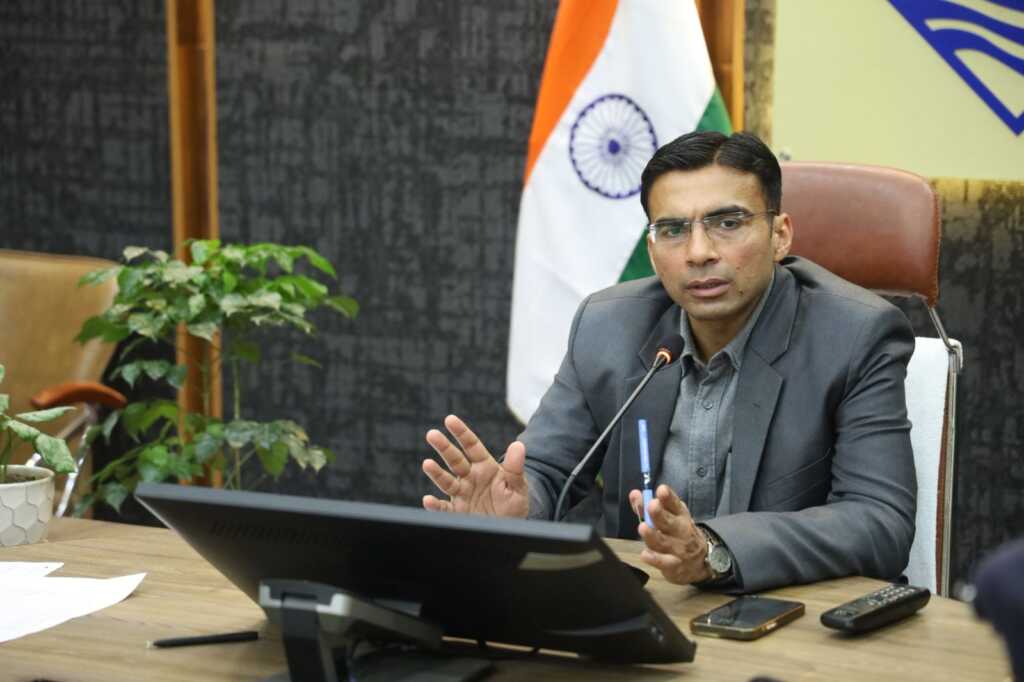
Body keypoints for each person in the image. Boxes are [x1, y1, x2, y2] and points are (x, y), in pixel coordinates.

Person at [422, 131, 916, 593]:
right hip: (641, 611)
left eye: (728, 223)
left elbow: (878, 521)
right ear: (653, 249)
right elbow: (548, 469)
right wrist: (518, 509)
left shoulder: (856, 335)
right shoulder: (608, 326)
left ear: (780, 235)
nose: (699, 253)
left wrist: (714, 549)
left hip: (788, 614)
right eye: (674, 230)